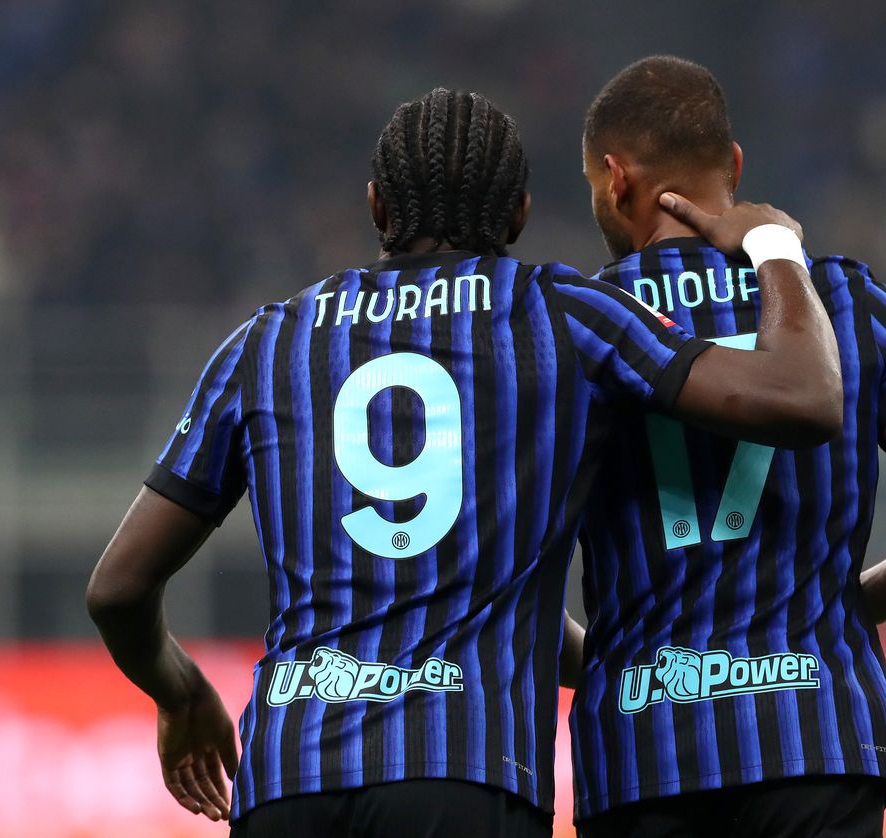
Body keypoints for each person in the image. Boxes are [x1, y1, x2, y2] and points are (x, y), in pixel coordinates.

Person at [85, 87, 842, 838]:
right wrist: (774, 248)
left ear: (377, 206)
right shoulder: (560, 313)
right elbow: (803, 397)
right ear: (519, 215)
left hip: (288, 777)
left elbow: (118, 589)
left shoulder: (267, 342)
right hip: (466, 772)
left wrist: (181, 693)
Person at [564, 56, 886, 838]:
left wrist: (605, 659)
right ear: (733, 167)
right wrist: (844, 609)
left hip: (643, 749)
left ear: (614, 178)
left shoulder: (575, 328)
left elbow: (503, 564)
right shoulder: (853, 302)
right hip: (818, 737)